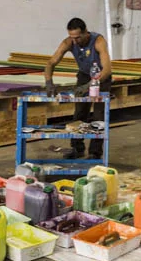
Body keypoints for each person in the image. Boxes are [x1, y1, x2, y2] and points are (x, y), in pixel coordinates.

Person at [44, 18, 113, 160]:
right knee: (80, 113)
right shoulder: (68, 42)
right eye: (72, 37)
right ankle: (77, 148)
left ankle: (95, 153)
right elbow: (51, 63)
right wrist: (49, 82)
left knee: (99, 116)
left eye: (77, 37)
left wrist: (89, 86)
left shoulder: (98, 41)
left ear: (85, 32)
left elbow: (107, 69)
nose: (75, 41)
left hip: (101, 77)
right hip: (84, 75)